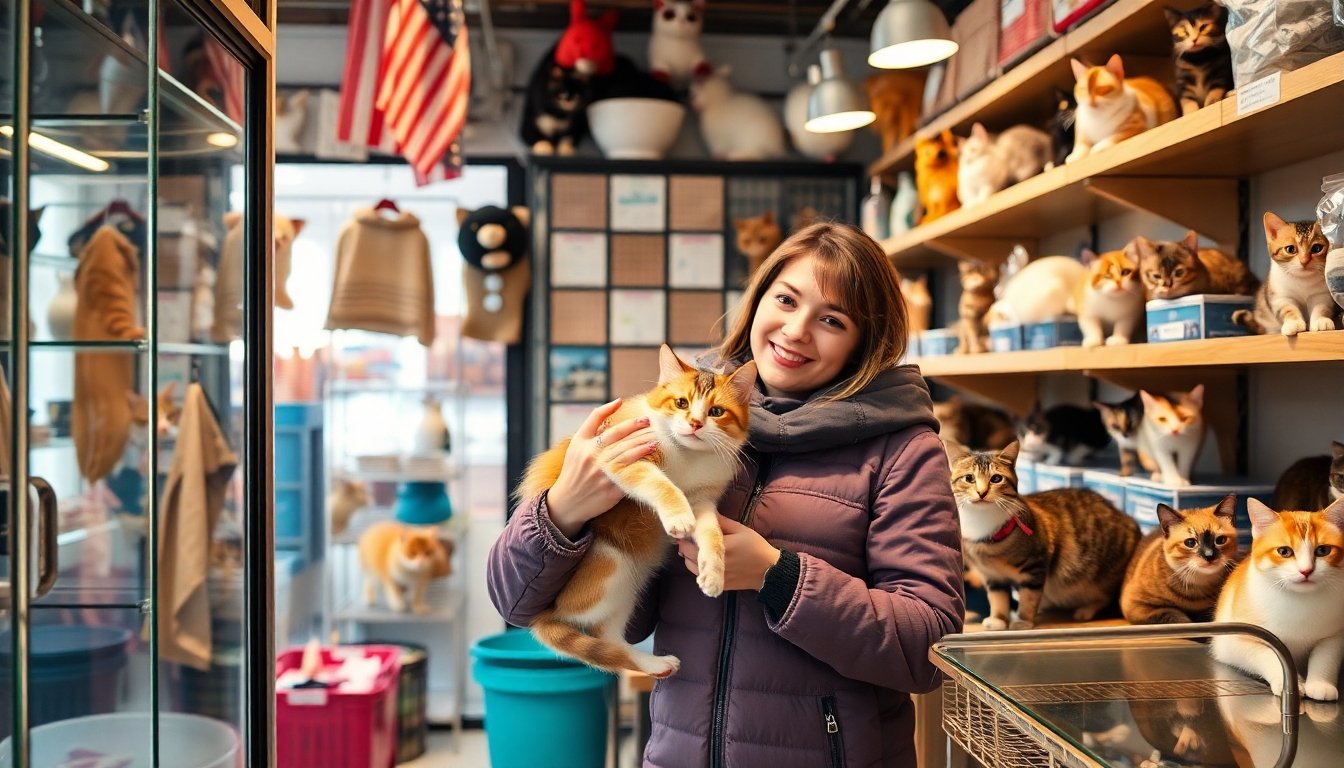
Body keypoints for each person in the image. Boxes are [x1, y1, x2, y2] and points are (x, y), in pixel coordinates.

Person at [487, 222, 963, 767]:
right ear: (758, 300)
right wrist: (565, 510)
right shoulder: (681, 416)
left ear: (865, 341)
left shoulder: (902, 450)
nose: (796, 330)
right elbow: (516, 602)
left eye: (832, 319)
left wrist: (778, 576)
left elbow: (931, 651)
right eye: (785, 299)